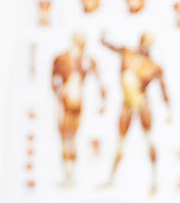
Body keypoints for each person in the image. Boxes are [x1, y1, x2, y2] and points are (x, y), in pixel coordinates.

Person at [99, 30, 171, 194]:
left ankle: (155, 180)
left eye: (148, 43)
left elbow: (163, 89)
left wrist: (168, 110)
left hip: (142, 103)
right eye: (144, 41)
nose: (145, 46)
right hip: (127, 104)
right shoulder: (127, 54)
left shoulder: (153, 66)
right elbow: (112, 47)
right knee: (121, 140)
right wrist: (103, 38)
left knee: (148, 139)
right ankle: (111, 178)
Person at [50, 32, 105, 186]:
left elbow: (98, 80)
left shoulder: (86, 60)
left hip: (77, 101)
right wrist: (62, 90)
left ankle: (71, 175)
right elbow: (54, 80)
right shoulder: (61, 59)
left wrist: (102, 100)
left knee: (71, 138)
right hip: (64, 100)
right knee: (64, 138)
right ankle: (67, 175)